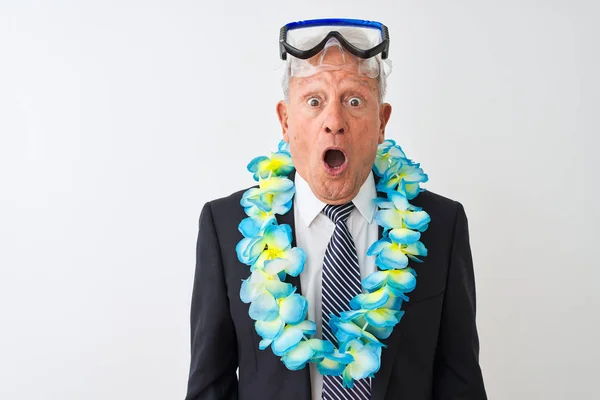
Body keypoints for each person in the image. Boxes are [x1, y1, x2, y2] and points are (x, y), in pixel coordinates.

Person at [184, 19, 487, 400]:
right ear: (286, 120)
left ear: (381, 122)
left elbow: (461, 385)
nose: (334, 123)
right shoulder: (226, 226)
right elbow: (210, 387)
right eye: (314, 101)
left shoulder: (442, 225)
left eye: (354, 101)